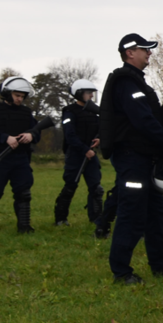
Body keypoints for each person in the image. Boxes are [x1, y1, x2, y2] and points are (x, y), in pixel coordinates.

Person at [98, 34, 163, 283]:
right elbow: (142, 119)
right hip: (131, 158)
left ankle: (159, 263)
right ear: (129, 53)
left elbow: (150, 117)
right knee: (132, 213)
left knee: (156, 214)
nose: (149, 53)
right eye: (144, 49)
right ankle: (121, 272)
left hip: (146, 157)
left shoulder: (138, 82)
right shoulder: (126, 82)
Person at [0, 77, 45, 232]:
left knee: (24, 193)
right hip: (0, 158)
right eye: (17, 95)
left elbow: (37, 132)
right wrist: (5, 138)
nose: (20, 99)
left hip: (21, 159)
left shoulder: (27, 113)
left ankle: (24, 227)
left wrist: (31, 136)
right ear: (7, 93)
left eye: (22, 96)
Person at [54, 79, 104, 226]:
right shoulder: (69, 111)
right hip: (76, 154)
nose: (91, 96)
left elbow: (102, 129)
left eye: (92, 93)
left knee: (96, 188)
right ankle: (61, 218)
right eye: (88, 93)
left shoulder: (95, 111)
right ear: (79, 94)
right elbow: (70, 136)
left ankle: (96, 218)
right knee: (70, 186)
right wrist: (84, 150)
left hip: (92, 154)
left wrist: (100, 139)